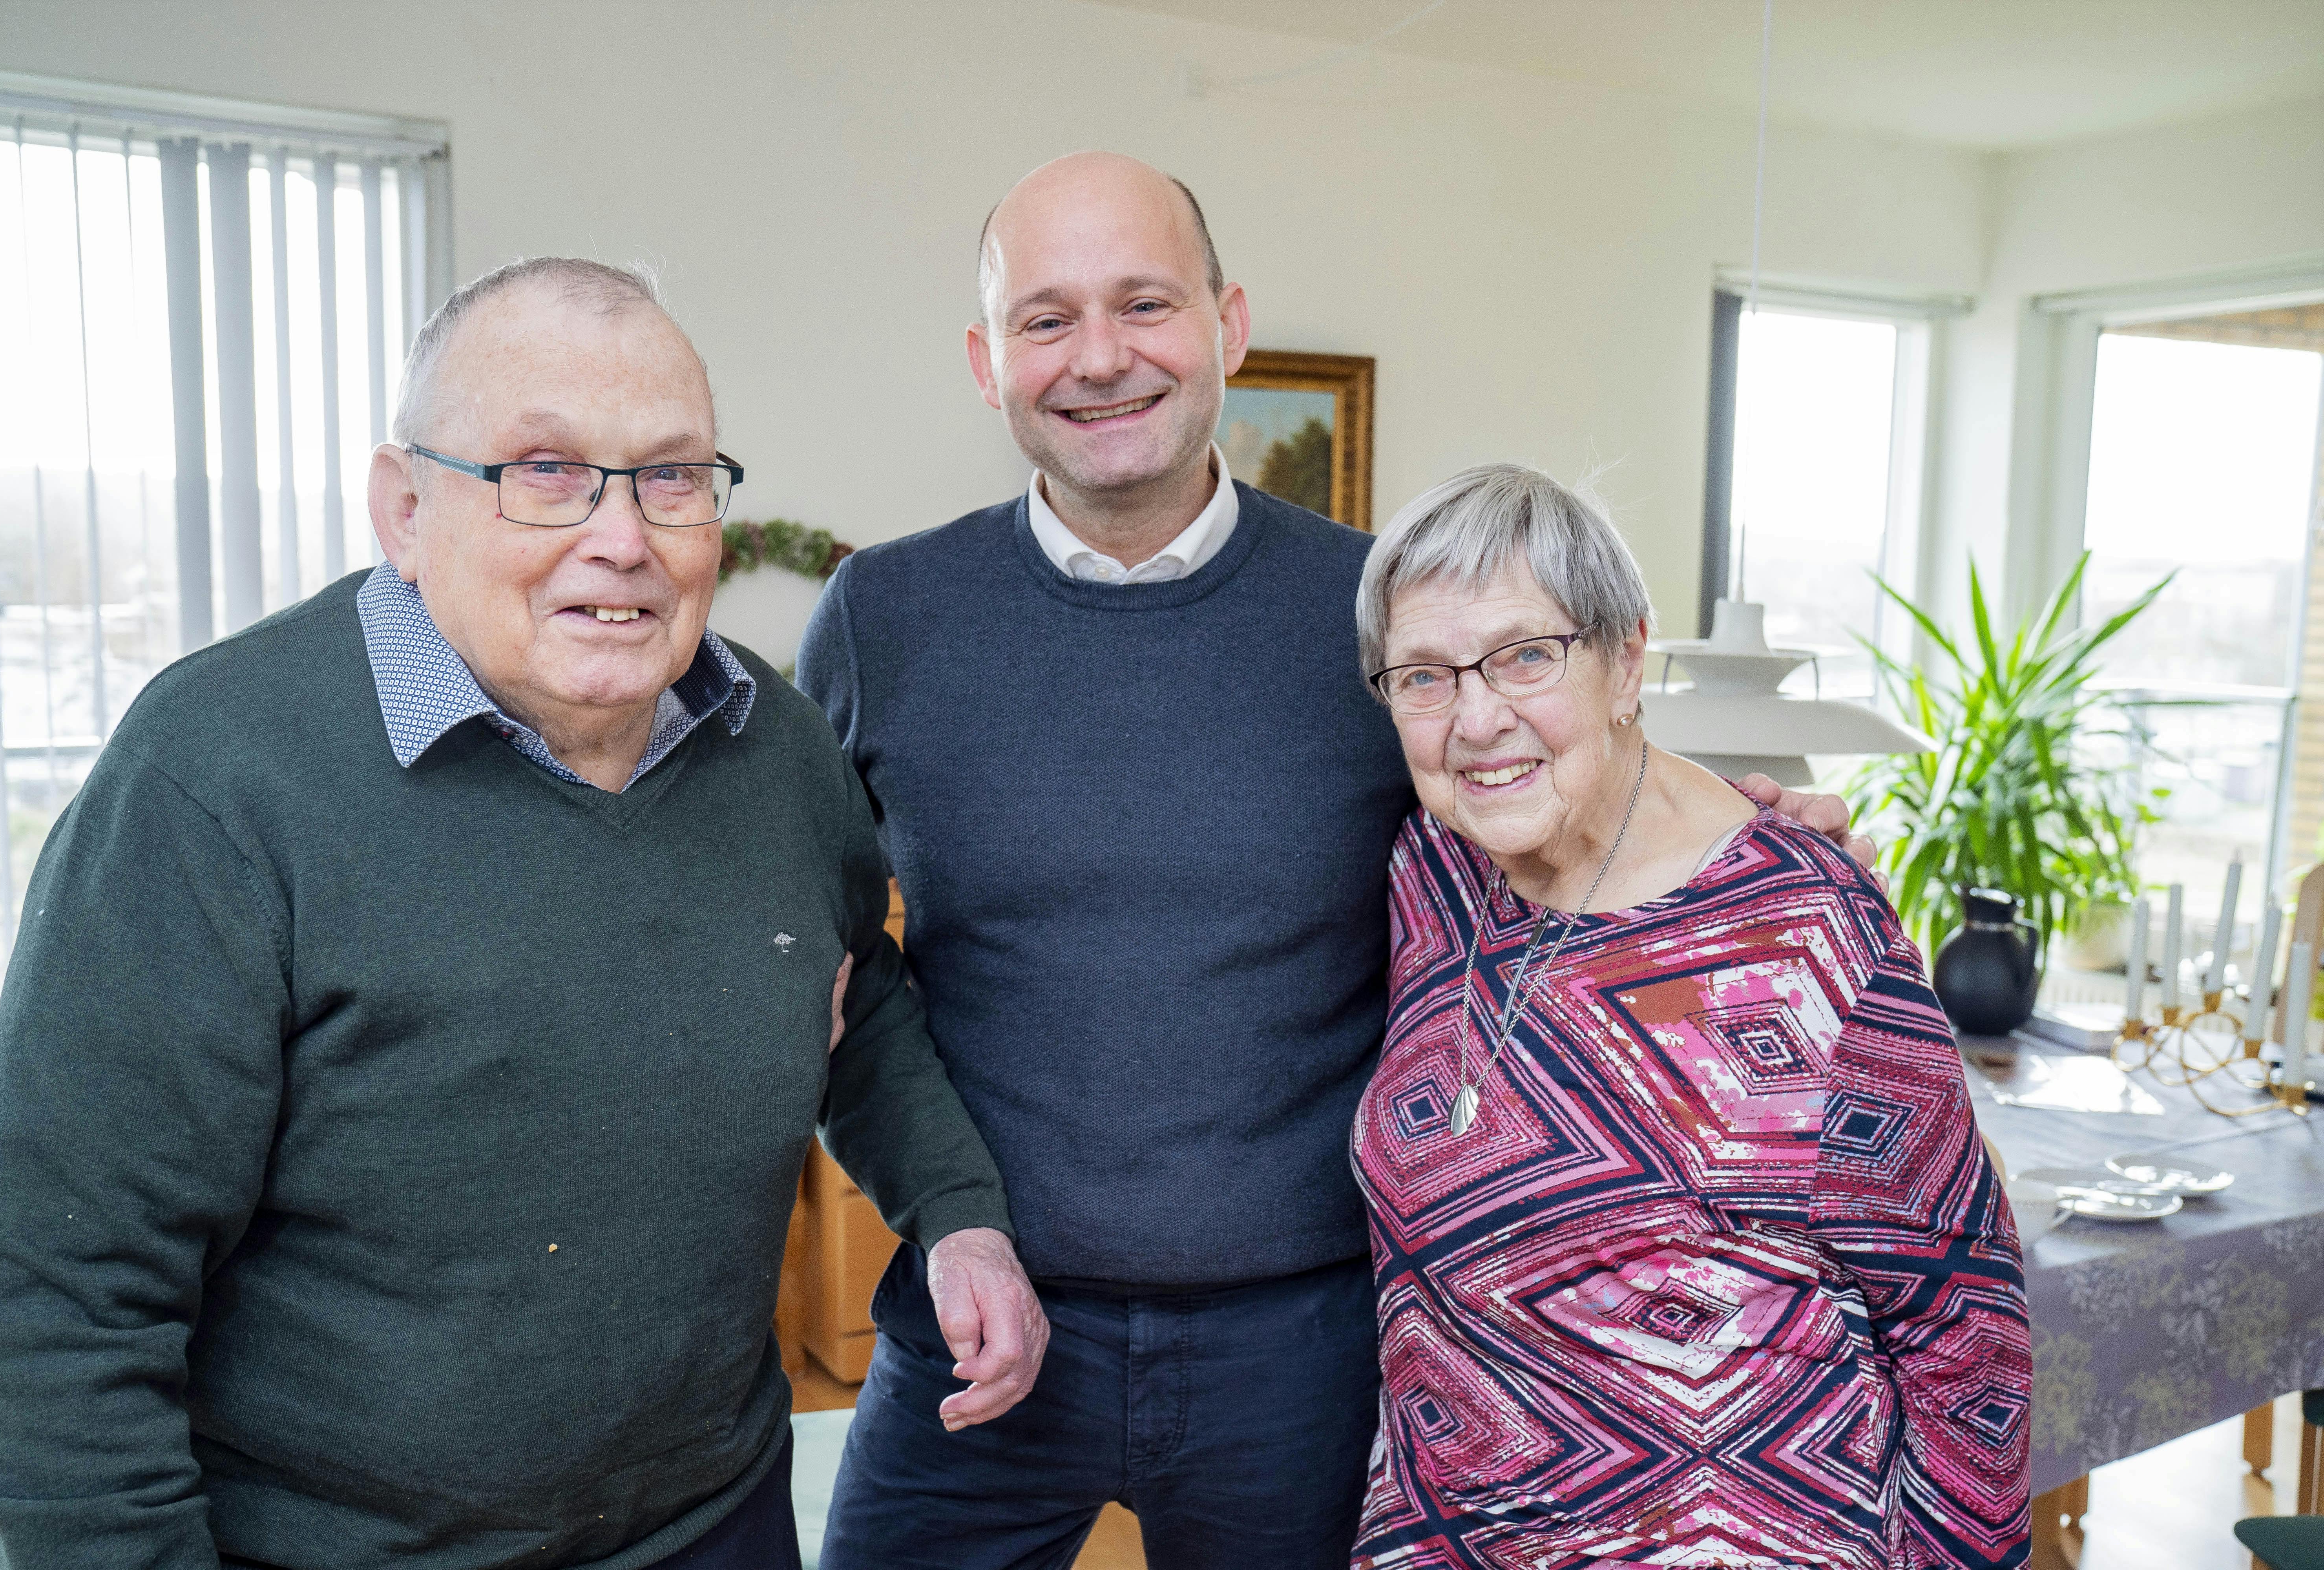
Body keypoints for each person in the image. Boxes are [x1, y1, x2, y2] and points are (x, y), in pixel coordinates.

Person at [798, 151, 1876, 1569]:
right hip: (979, 1318)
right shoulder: (885, 614)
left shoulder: (1377, 612)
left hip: (1307, 1347)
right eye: (1046, 318)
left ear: (1229, 325)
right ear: (985, 359)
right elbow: (817, 961)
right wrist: (948, 1221)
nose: (1102, 357)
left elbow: (1559, 797)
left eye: (1145, 304)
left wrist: (1743, 844)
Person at [0, 257, 1044, 1570]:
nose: (623, 535)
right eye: (544, 471)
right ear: (405, 508)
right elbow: (54, 1299)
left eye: (673, 475)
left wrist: (958, 1212)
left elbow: (848, 998)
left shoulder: (777, 742)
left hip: (720, 1525)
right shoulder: (213, 777)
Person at [1349, 463, 2031, 1570]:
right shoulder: (1433, 875)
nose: (1477, 718)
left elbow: (1965, 1333)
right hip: (1446, 1539)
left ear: (1627, 659)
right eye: (1425, 676)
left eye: (1528, 655)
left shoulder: (1812, 929)